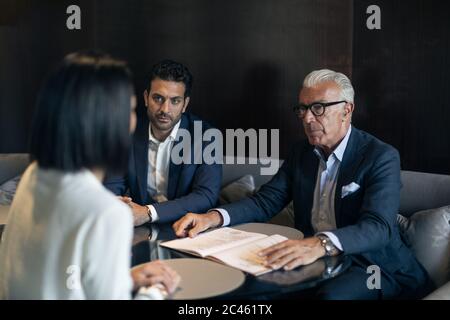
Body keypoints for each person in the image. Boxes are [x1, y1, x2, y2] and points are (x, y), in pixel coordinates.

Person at [172, 69, 432, 299]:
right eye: (302, 109)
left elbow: (378, 228)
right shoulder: (302, 153)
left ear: (347, 109)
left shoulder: (380, 156)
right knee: (249, 290)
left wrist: (320, 243)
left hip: (371, 265)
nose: (307, 118)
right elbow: (266, 201)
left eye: (318, 108)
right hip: (312, 260)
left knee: (331, 297)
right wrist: (213, 217)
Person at [0, 52, 180, 299]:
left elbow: (53, 279)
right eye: (130, 110)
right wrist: (156, 291)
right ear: (107, 122)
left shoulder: (34, 176)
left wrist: (121, 279)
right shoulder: (106, 213)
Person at [104, 60, 222, 226]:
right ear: (146, 98)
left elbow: (206, 196)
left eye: (175, 101)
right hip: (140, 229)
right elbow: (112, 185)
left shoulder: (206, 136)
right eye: (158, 98)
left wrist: (148, 212)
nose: (165, 109)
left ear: (185, 104)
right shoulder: (128, 131)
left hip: (190, 230)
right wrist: (117, 203)